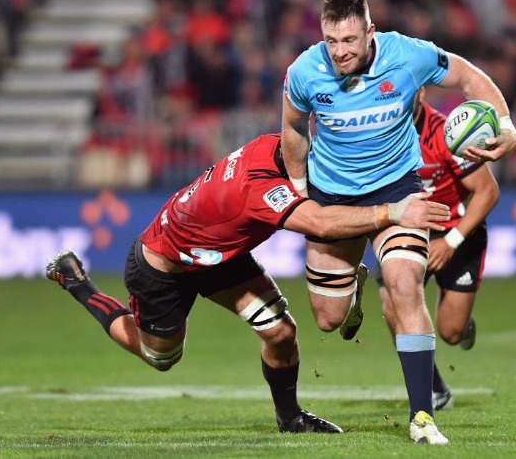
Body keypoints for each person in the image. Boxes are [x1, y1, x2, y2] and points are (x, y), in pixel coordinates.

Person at [45, 132, 449, 434]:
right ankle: (78, 283)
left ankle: (290, 420)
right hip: (163, 268)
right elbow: (321, 222)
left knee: (281, 332)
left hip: (217, 257)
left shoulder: (274, 146)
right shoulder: (262, 190)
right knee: (160, 358)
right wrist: (394, 212)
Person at [280, 0, 516, 444]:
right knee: (328, 318)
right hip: (334, 199)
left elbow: (469, 76)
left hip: (398, 188)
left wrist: (505, 123)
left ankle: (423, 416)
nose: (340, 52)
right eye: (331, 41)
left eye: (349, 41)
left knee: (406, 286)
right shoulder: (304, 72)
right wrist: (297, 189)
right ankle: (352, 288)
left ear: (370, 32)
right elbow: (291, 126)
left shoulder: (408, 55)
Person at [378, 87, 500, 413]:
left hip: (457, 233)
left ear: (419, 94)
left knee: (450, 331)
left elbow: (487, 192)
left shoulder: (448, 133)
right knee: (392, 303)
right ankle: (434, 388)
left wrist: (452, 241)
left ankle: (462, 325)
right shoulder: (378, 134)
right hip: (410, 229)